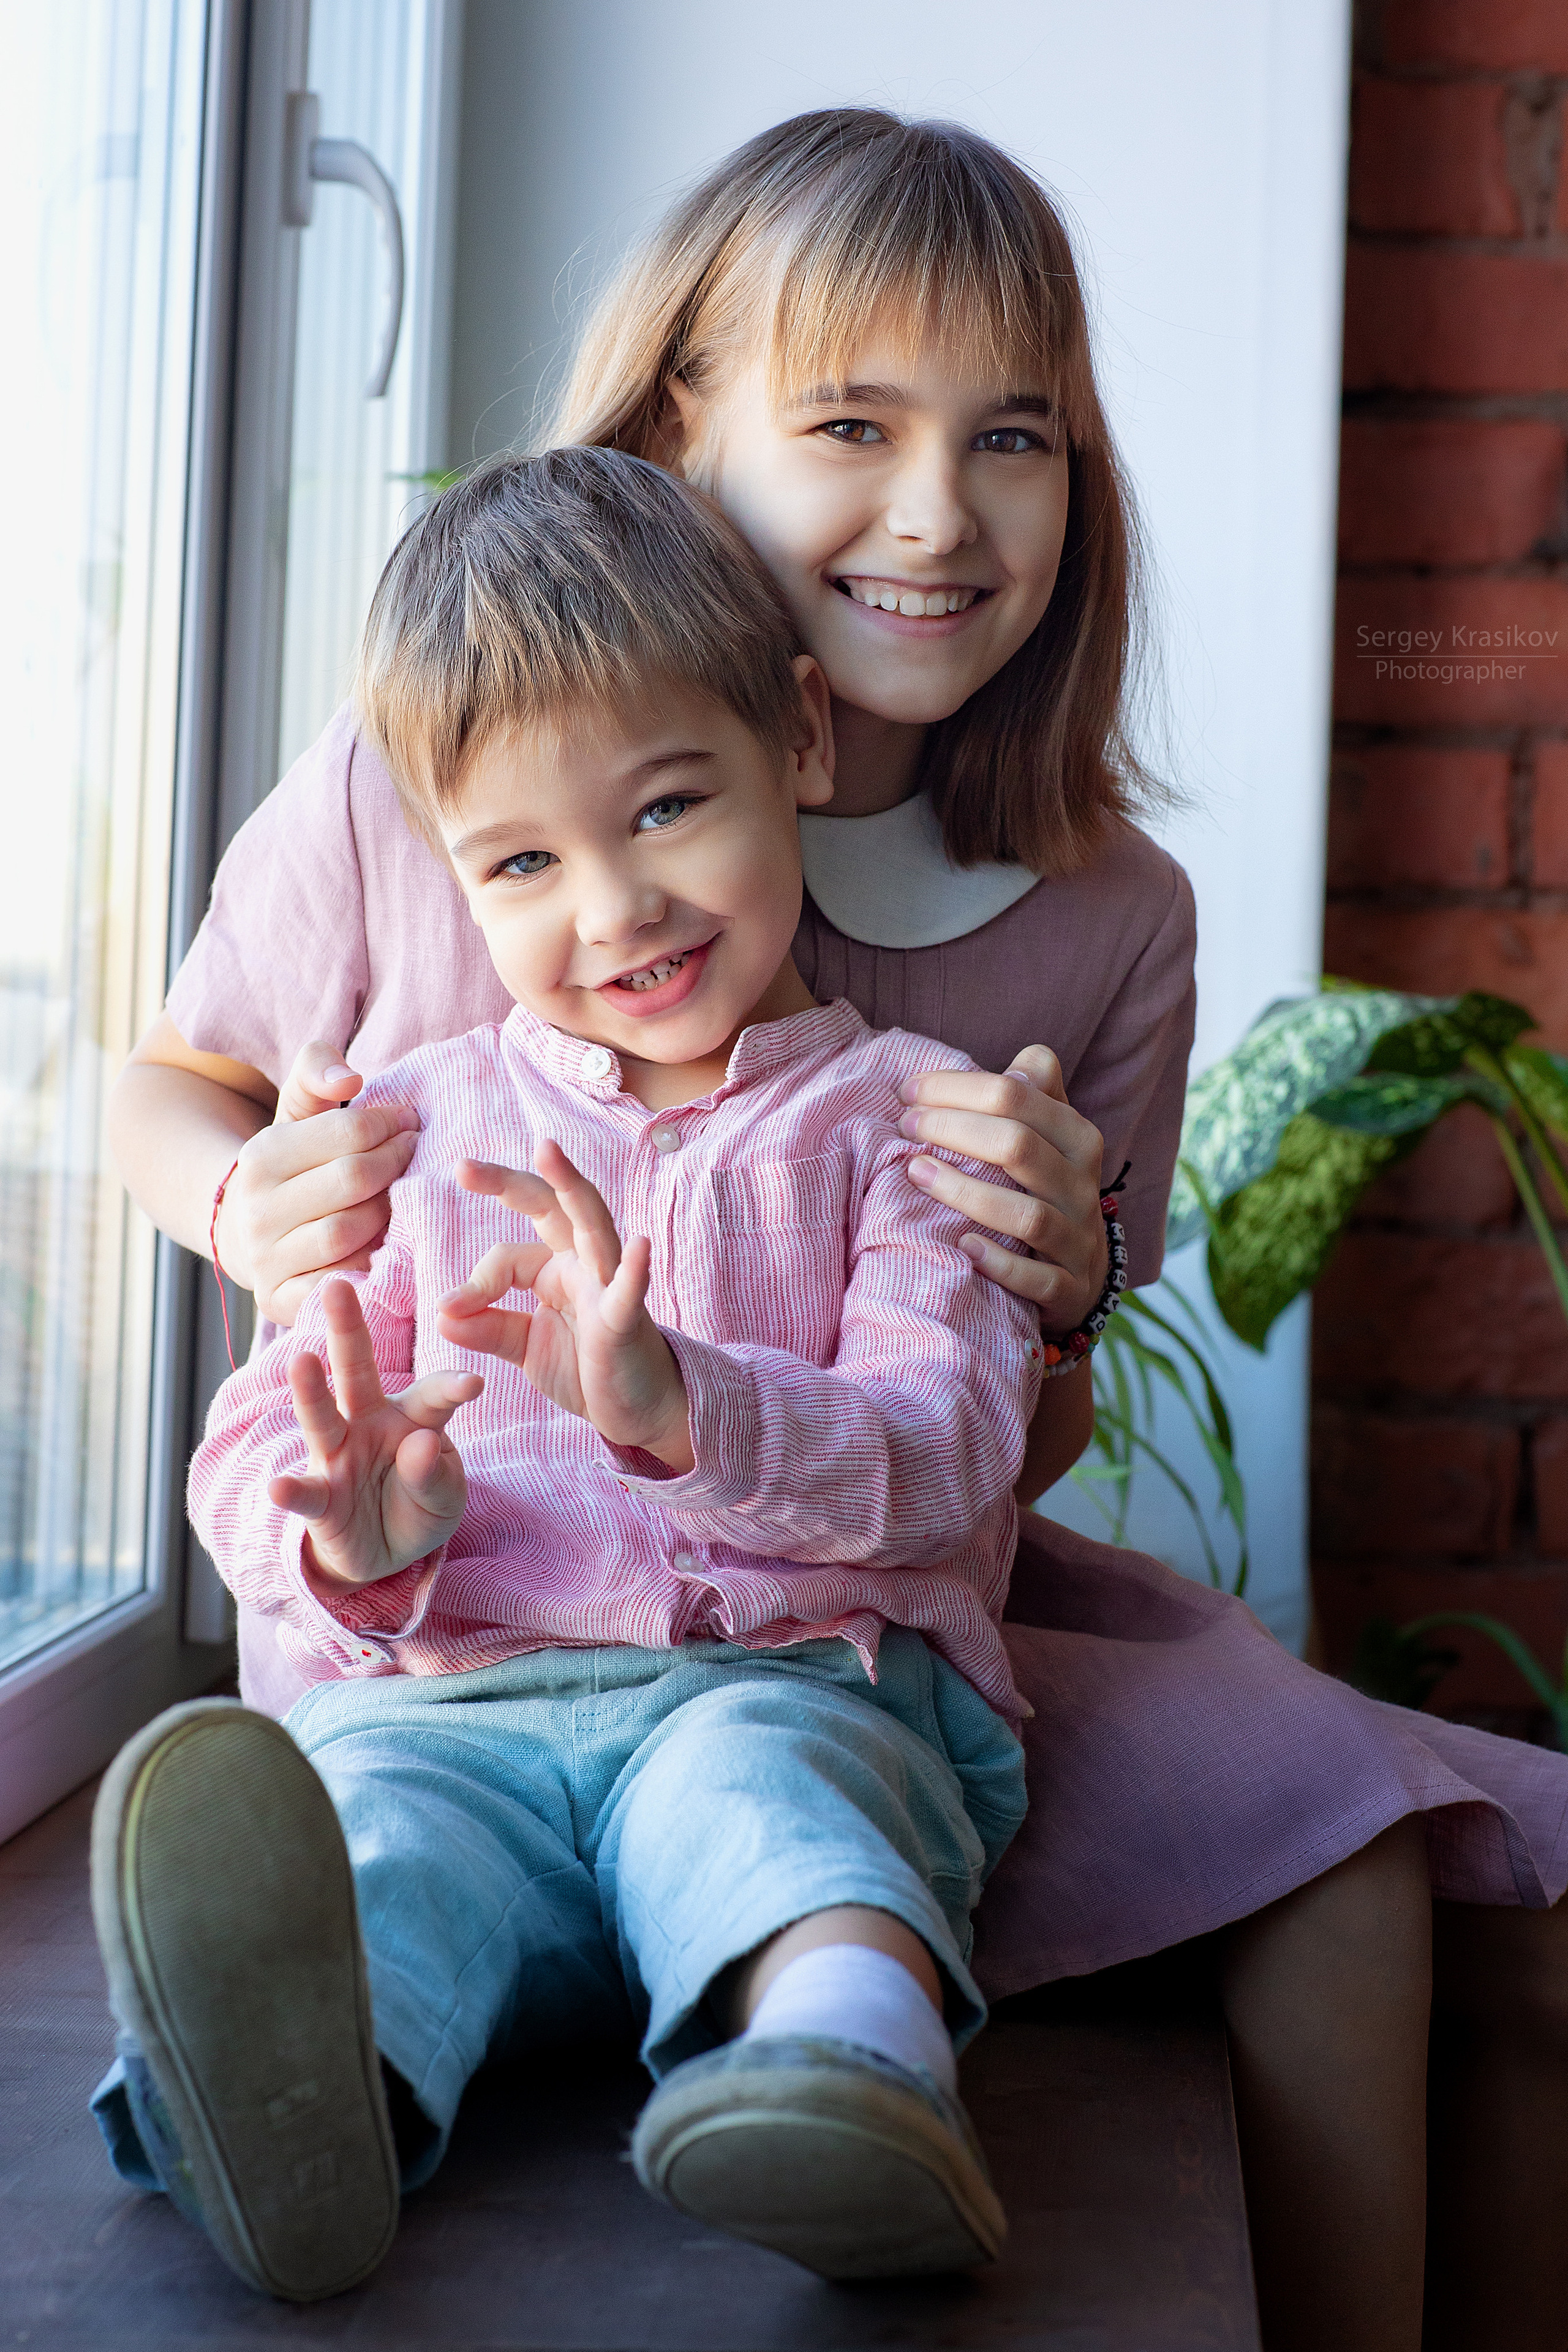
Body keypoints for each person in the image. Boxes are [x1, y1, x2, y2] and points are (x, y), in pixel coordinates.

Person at [104, 111, 1568, 2350]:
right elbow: (136, 1081)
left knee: (1368, 1849)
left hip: (850, 1592)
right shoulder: (443, 773)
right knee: (446, 1832)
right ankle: (319, 2060)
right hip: (459, 1607)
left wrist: (1056, 1293)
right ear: (688, 424)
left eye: (1018, 439)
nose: (937, 514)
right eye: (851, 427)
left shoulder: (1104, 922)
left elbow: (996, 1445)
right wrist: (241, 1206)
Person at [93, 447, 1057, 2297]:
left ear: (799, 738)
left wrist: (687, 1410)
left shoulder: (909, 1137)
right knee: (378, 1852)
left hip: (786, 1681)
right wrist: (356, 1534)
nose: (613, 910)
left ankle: (851, 2076)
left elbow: (946, 1459)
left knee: (765, 1818)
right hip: (447, 1710)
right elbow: (249, 1448)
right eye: (524, 862)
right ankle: (307, 2110)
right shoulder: (404, 1133)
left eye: (668, 806)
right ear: (453, 873)